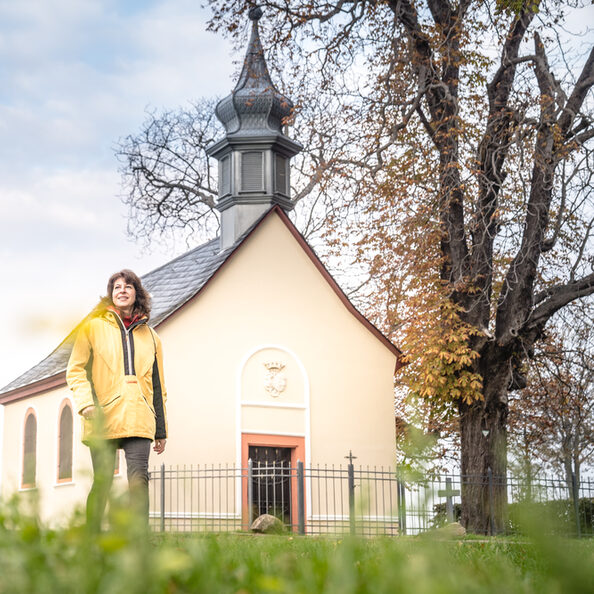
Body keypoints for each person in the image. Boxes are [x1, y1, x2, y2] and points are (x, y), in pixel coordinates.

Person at [67, 269, 167, 532]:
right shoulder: (92, 327)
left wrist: (161, 430)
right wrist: (86, 402)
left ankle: (138, 542)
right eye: (117, 287)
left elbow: (158, 385)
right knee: (102, 481)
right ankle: (91, 539)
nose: (122, 290)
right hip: (101, 415)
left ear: (137, 294)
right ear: (111, 294)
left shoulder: (152, 337)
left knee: (139, 481)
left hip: (138, 417)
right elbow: (75, 370)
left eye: (128, 286)